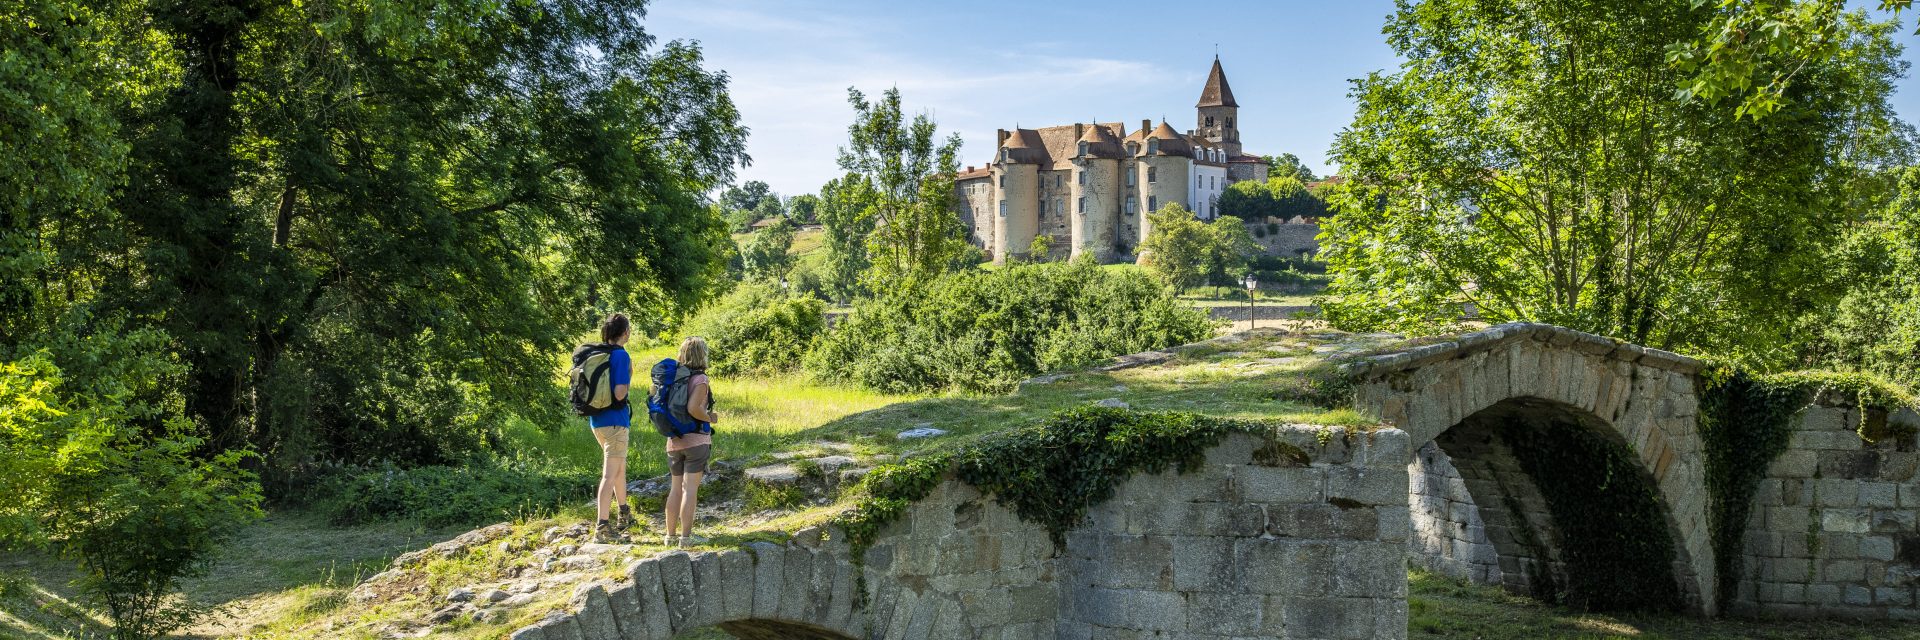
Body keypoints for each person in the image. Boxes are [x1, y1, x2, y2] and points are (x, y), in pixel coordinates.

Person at [583, 313, 635, 543]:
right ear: (625, 333)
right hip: (616, 421)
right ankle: (602, 527)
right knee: (609, 475)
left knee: (619, 468)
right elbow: (619, 393)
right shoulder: (621, 356)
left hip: (598, 421)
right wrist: (629, 376)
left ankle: (624, 512)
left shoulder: (599, 353)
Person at [661, 336, 718, 547]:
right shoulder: (701, 380)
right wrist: (710, 417)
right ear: (702, 354)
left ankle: (670, 536)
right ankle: (686, 538)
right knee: (690, 489)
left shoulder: (675, 378)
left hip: (674, 441)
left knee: (675, 488)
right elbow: (694, 409)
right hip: (696, 442)